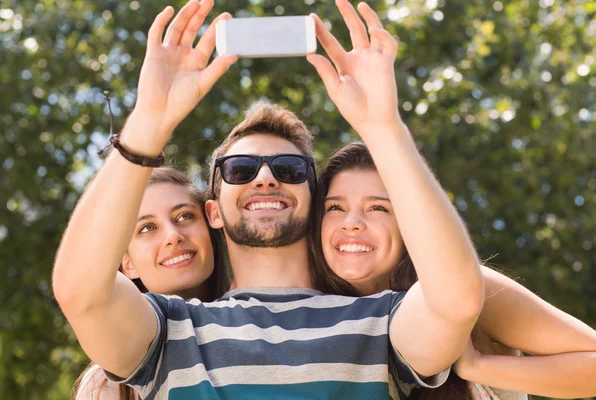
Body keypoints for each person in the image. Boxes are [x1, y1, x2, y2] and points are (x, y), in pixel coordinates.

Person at [53, 0, 484, 398]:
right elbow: (79, 293)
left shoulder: (383, 322)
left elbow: (458, 299)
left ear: (313, 200)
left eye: (289, 170)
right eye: (240, 170)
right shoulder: (169, 329)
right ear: (213, 211)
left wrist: (385, 129)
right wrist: (149, 118)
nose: (264, 178)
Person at [310, 141, 596, 399]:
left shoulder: (469, 292)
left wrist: (478, 366)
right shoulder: (307, 314)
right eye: (335, 207)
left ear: (410, 224)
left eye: (378, 208)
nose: (351, 223)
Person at [70, 167, 230, 400]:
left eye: (185, 216)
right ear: (127, 263)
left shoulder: (263, 329)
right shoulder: (107, 387)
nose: (173, 235)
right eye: (147, 228)